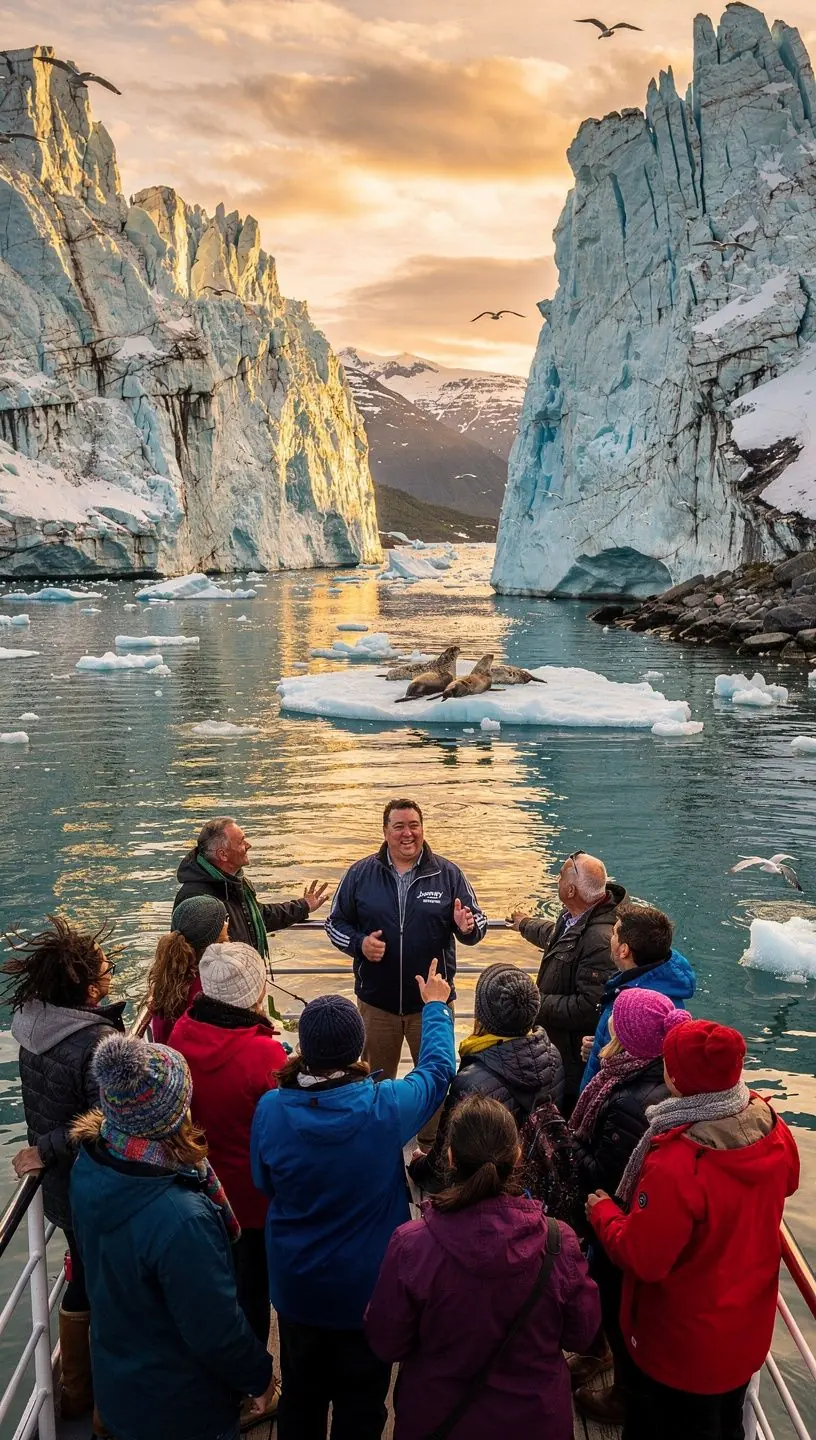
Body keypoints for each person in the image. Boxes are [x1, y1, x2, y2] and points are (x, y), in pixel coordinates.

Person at [250, 961, 457, 1440]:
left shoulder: (271, 1110)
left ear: (305, 1049)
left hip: (298, 1285)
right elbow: (437, 1071)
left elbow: (263, 1182)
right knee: (362, 1404)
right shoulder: (383, 1108)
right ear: (356, 1048)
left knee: (300, 1395)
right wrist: (435, 1010)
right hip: (367, 1289)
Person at [587, 1018, 800, 1440]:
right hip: (742, 1333)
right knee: (725, 1423)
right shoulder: (768, 1125)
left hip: (680, 1348)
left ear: (678, 1077)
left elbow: (643, 1258)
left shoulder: (678, 1163)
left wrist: (603, 1212)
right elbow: (788, 1181)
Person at [70, 1034, 277, 1440]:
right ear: (172, 1115)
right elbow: (214, 1327)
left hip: (121, 1384)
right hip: (182, 1405)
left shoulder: (90, 1163)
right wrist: (259, 1375)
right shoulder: (182, 1217)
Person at [365, 1094, 600, 1440]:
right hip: (535, 1421)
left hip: (436, 1418)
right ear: (517, 1154)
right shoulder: (557, 1243)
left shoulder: (412, 1245)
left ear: (449, 1157)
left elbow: (386, 1340)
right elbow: (583, 1332)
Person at [5, 916, 125, 1420]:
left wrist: (44, 1151)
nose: (112, 974)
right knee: (110, 1285)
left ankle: (76, 1389)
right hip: (92, 1182)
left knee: (82, 1277)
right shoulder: (92, 1041)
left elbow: (49, 1106)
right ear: (90, 988)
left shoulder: (34, 1027)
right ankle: (105, 1404)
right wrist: (51, 1148)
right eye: (105, 970)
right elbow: (107, 1120)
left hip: (58, 1186)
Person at [325, 798, 486, 1145]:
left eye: (413, 824)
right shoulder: (359, 874)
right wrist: (359, 944)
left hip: (431, 1005)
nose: (407, 833)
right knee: (373, 1082)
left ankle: (431, 1148)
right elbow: (334, 924)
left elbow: (478, 924)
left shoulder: (448, 873)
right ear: (385, 831)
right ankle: (378, 1145)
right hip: (376, 1005)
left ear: (423, 828)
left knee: (437, 1080)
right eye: (398, 826)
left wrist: (467, 926)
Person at [568, 989, 690, 1425]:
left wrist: (567, 1142)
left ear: (627, 1037)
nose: (609, 1025)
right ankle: (603, 1353)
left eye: (616, 1021)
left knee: (614, 1297)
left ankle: (622, 1388)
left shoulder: (629, 1099)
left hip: (616, 1222)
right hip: (625, 1214)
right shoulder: (646, 1074)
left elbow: (603, 1173)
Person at [170, 941, 287, 1364]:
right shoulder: (263, 1053)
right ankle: (254, 1379)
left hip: (198, 1186)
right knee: (253, 1288)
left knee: (217, 1284)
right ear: (254, 992)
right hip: (251, 1197)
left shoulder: (182, 1032)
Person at [409, 962, 563, 1193]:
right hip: (533, 1182)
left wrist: (418, 1165)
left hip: (484, 1191)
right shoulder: (552, 1055)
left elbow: (441, 1170)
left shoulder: (471, 1081)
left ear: (482, 1014)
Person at [509, 850, 624, 1112]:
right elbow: (558, 939)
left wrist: (535, 1000)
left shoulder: (600, 940)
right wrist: (525, 924)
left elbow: (588, 1007)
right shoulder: (576, 917)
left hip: (571, 1061)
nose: (556, 880)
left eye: (560, 876)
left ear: (571, 891)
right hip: (557, 1050)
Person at [174, 817, 329, 959]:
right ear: (223, 854)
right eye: (242, 842)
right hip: (221, 985)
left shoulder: (235, 883)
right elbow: (189, 958)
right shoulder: (196, 898)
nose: (248, 845)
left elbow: (260, 917)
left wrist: (303, 906)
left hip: (241, 978)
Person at [580, 903, 695, 1090]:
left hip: (611, 1104)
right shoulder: (662, 990)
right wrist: (598, 1045)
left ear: (624, 950)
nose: (611, 938)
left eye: (615, 933)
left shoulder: (636, 1005)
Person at [147, 896, 229, 1044]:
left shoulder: (168, 977)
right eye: (224, 919)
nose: (226, 924)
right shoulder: (209, 989)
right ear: (214, 941)